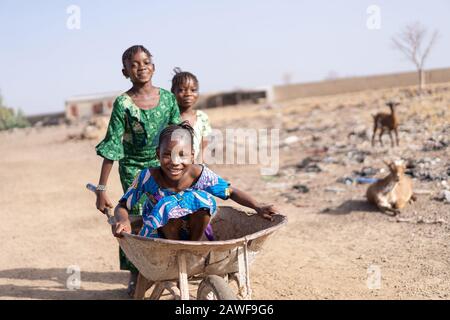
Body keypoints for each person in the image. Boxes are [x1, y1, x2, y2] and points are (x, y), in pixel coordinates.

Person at [94, 45, 181, 296]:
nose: (140, 67)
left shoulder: (167, 99)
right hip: (133, 168)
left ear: (153, 67)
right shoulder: (123, 104)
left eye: (145, 62)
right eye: (134, 64)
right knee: (136, 217)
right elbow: (112, 146)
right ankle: (136, 272)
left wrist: (186, 167)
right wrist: (101, 189)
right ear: (125, 72)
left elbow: (178, 136)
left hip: (165, 165)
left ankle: (169, 266)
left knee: (170, 210)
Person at [111, 122, 279, 241]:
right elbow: (123, 205)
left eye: (182, 155)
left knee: (201, 199)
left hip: (193, 231)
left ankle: (193, 246)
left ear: (192, 155)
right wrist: (123, 220)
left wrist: (257, 206)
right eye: (168, 155)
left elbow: (231, 191)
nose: (175, 162)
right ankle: (175, 247)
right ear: (158, 155)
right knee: (168, 204)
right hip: (162, 233)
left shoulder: (200, 174)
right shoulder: (148, 177)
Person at [171, 68, 211, 163]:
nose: (188, 94)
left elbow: (203, 147)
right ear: (173, 92)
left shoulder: (202, 118)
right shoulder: (169, 118)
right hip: (174, 167)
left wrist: (198, 167)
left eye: (193, 90)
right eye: (182, 90)